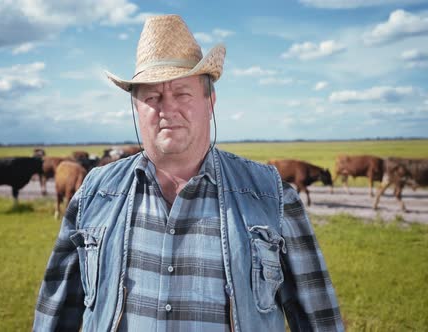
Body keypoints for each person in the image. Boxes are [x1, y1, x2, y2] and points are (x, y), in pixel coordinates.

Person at [34, 14, 343, 332]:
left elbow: (320, 319)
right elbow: (55, 314)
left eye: (182, 93)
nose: (167, 109)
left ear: (210, 101)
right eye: (152, 97)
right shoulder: (94, 192)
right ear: (135, 107)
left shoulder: (271, 195)